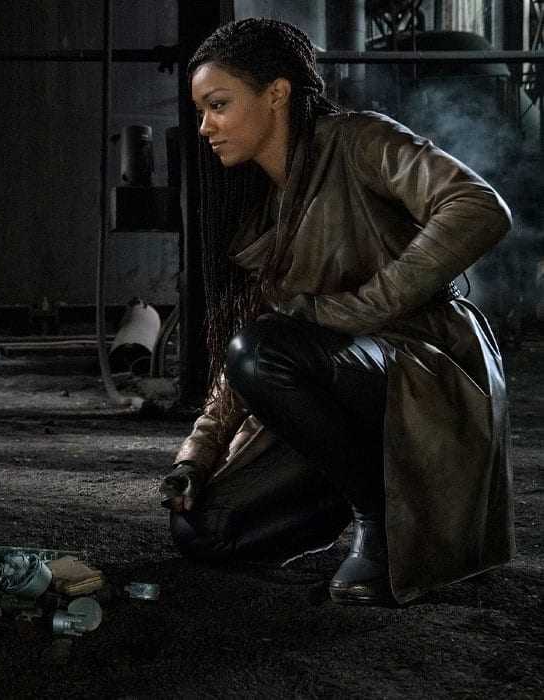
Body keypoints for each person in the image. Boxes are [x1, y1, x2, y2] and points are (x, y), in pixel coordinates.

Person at [158, 18, 513, 606]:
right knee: (205, 531)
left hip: (423, 364)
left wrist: (359, 308)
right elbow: (245, 348)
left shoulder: (359, 139)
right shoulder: (257, 206)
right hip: (329, 376)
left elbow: (478, 206)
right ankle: (358, 490)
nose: (205, 127)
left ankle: (379, 525)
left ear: (276, 94)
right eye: (202, 111)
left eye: (218, 105)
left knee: (266, 352)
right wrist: (196, 458)